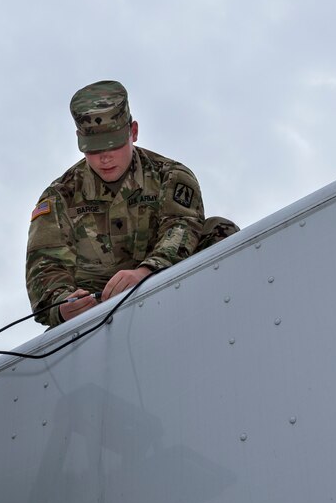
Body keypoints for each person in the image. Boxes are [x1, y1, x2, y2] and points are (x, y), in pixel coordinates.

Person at [26, 80, 237, 327]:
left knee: (219, 231)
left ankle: (223, 322)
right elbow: (45, 267)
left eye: (113, 144)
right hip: (94, 319)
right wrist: (62, 306)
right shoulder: (60, 196)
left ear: (133, 132)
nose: (104, 158)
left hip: (169, 288)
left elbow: (181, 229)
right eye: (93, 149)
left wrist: (145, 273)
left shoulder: (169, 176)